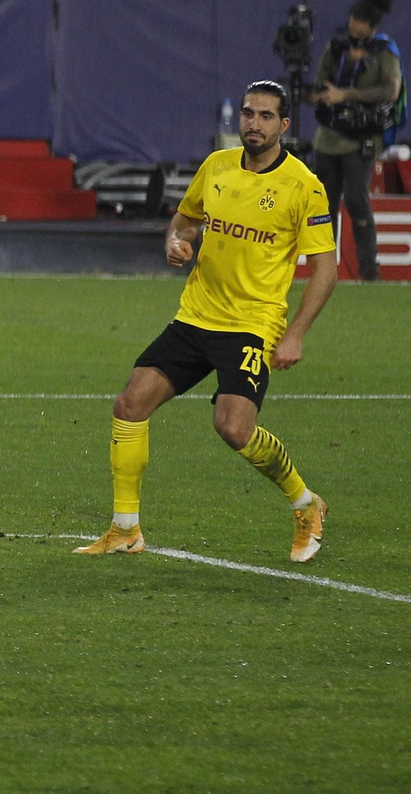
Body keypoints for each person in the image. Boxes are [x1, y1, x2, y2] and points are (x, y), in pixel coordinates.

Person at [76, 81, 338, 564]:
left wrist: (295, 333)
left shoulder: (304, 186)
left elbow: (326, 268)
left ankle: (305, 504)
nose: (252, 124)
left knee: (234, 429)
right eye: (247, 113)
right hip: (196, 316)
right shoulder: (216, 167)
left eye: (264, 116)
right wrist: (176, 242)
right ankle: (125, 528)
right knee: (130, 404)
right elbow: (185, 220)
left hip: (251, 325)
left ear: (283, 125)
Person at [310, 0, 402, 283]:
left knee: (356, 199)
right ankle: (323, 271)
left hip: (361, 138)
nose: (354, 24)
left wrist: (346, 95)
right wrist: (319, 94)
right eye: (353, 17)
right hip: (329, 137)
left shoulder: (385, 53)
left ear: (373, 26)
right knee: (323, 203)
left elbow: (391, 91)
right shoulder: (336, 48)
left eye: (361, 21)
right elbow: (319, 83)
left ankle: (368, 271)